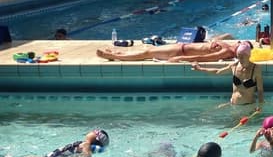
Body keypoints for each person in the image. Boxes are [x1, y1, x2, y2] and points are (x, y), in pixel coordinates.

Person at [191, 41, 264, 108]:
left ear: (248, 55)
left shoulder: (256, 69)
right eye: (238, 56)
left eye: (242, 56)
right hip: (233, 104)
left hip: (248, 106)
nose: (240, 59)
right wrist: (200, 68)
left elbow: (260, 90)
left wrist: (260, 106)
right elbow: (218, 71)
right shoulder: (234, 66)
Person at [0, 129, 109, 157]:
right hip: (51, 156)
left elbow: (87, 155)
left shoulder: (87, 144)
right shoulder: (86, 143)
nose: (90, 131)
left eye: (93, 131)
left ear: (95, 137)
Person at [97, 35, 237, 63]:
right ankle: (117, 52)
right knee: (148, 48)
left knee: (147, 53)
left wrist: (181, 58)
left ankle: (116, 57)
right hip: (180, 47)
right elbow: (227, 35)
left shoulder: (227, 51)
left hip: (179, 52)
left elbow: (204, 58)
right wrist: (216, 40)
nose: (239, 43)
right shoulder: (228, 45)